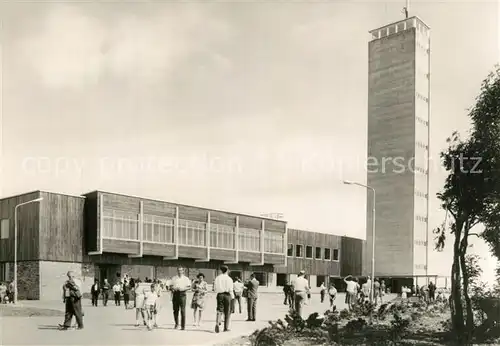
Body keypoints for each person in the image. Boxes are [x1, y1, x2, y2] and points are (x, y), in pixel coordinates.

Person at [213, 265, 234, 333]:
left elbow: (215, 288)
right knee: (227, 311)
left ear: (221, 270)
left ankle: (217, 323)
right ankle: (226, 327)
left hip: (220, 294)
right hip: (227, 295)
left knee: (219, 309)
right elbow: (231, 289)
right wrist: (232, 297)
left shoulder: (217, 278)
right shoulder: (229, 279)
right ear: (227, 270)